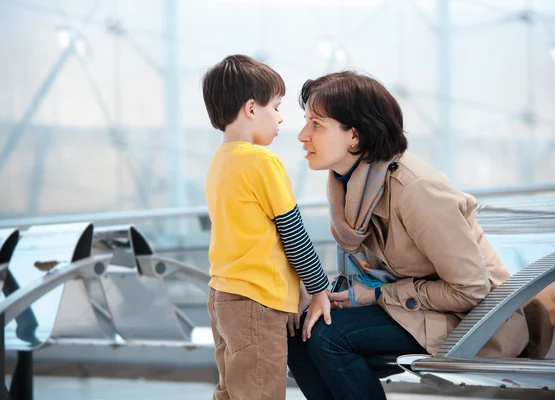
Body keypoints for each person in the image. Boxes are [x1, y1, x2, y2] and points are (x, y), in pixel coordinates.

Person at [287, 70, 530, 400]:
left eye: (317, 124)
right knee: (300, 330)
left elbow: (472, 289)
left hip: (477, 320)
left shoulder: (416, 191)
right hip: (416, 310)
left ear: (354, 136)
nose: (302, 135)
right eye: (306, 121)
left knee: (328, 337)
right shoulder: (350, 189)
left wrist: (379, 295)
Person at [202, 54, 332, 400]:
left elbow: (257, 238)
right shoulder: (261, 161)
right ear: (250, 108)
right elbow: (293, 234)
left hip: (223, 297)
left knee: (232, 391)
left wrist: (294, 292)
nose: (279, 117)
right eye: (275, 106)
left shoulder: (219, 163)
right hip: (255, 301)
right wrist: (318, 290)